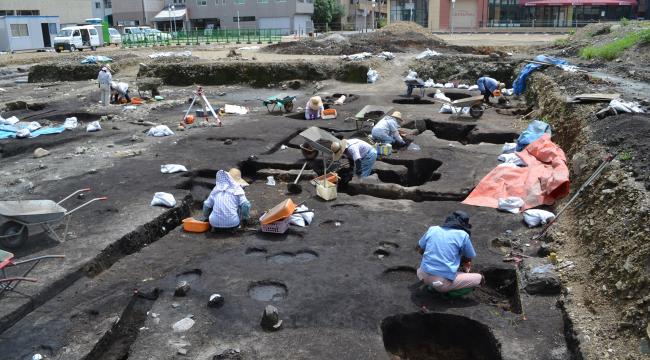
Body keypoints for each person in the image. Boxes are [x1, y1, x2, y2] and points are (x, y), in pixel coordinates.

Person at [416, 210, 483, 295]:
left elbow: (419, 249)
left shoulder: (433, 229)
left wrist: (434, 257)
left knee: (439, 274)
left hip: (422, 274)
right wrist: (463, 263)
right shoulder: (463, 235)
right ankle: (447, 295)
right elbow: (468, 257)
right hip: (440, 282)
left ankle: (433, 285)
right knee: (480, 279)